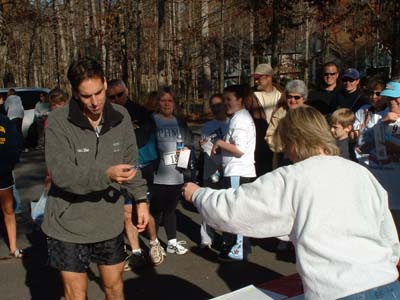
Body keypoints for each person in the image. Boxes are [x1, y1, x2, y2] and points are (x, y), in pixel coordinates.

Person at [183, 106, 400, 300]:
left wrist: (198, 194)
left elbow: (233, 209)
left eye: (285, 144)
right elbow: (389, 238)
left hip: (338, 291)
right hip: (389, 285)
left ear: (295, 141)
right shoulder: (361, 174)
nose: (285, 151)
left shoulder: (292, 178)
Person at [42, 57, 149, 300]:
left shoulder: (121, 116)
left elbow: (131, 165)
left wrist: (141, 199)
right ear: (75, 93)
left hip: (108, 222)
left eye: (99, 92)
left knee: (114, 287)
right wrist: (105, 175)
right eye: (86, 95)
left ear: (104, 82)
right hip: (67, 224)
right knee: (76, 295)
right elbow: (62, 175)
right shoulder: (58, 123)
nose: (95, 102)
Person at [107, 80, 164, 267]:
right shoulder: (107, 115)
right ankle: (136, 251)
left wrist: (121, 142)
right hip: (119, 168)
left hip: (142, 165)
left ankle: (154, 242)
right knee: (126, 212)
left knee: (143, 210)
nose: (116, 99)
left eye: (119, 95)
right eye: (111, 97)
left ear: (127, 92)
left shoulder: (141, 112)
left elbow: (142, 138)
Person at [211, 84, 256, 261]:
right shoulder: (238, 118)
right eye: (224, 99)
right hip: (235, 170)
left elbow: (240, 149)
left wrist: (220, 143)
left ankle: (237, 249)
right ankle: (240, 247)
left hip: (238, 171)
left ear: (240, 100)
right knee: (236, 209)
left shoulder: (240, 119)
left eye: (229, 99)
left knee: (236, 211)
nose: (225, 103)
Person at [151, 86, 192, 255]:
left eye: (170, 100)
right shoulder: (152, 120)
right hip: (157, 174)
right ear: (158, 103)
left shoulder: (179, 121)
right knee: (155, 211)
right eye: (163, 100)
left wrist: (184, 164)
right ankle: (154, 243)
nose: (167, 104)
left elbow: (187, 145)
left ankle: (171, 242)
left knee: (171, 210)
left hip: (176, 174)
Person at [198, 94, 229, 248]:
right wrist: (218, 162)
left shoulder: (232, 123)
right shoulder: (208, 126)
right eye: (213, 105)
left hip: (229, 170)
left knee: (226, 206)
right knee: (208, 203)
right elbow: (205, 146)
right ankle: (206, 238)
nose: (216, 108)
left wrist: (224, 164)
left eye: (219, 104)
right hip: (210, 171)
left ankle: (226, 238)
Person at [245, 63, 282, 176]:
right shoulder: (250, 97)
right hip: (258, 145)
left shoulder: (283, 95)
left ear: (269, 77)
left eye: (258, 78)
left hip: (279, 144)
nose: (255, 81)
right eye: (254, 78)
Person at [266, 79, 308, 168]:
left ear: (303, 98)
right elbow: (270, 135)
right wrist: (285, 148)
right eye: (289, 97)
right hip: (283, 157)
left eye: (297, 97)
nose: (292, 100)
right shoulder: (280, 113)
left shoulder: (310, 113)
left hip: (305, 157)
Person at [0, 113, 23, 258]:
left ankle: (13, 247)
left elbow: (16, 143)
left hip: (3, 173)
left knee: (8, 210)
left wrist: (8, 165)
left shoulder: (4, 121)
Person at [353, 78, 388, 158]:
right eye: (371, 93)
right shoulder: (362, 110)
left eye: (378, 94)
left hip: (382, 159)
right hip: (360, 157)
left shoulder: (388, 112)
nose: (373, 97)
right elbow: (355, 133)